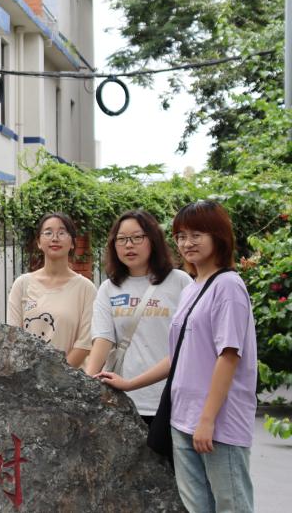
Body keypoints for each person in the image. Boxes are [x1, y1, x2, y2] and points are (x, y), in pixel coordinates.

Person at [98, 201, 256, 512]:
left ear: (218, 236)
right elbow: (177, 356)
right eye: (181, 236)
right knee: (196, 507)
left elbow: (228, 357)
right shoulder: (192, 288)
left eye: (197, 234)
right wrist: (129, 383)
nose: (187, 243)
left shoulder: (228, 286)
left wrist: (207, 420)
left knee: (231, 505)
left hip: (217, 422)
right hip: (181, 418)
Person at [83, 210, 192, 426]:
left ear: (154, 240)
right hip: (124, 399)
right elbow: (103, 340)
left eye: (137, 237)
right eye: (122, 239)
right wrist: (85, 385)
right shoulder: (109, 288)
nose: (129, 245)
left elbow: (188, 343)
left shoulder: (180, 282)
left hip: (172, 400)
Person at [7, 212, 97, 368]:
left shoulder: (86, 289)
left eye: (62, 233)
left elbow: (84, 344)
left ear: (73, 242)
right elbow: (14, 337)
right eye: (48, 233)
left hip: (71, 378)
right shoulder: (22, 285)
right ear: (39, 242)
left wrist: (55, 376)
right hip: (28, 376)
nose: (55, 238)